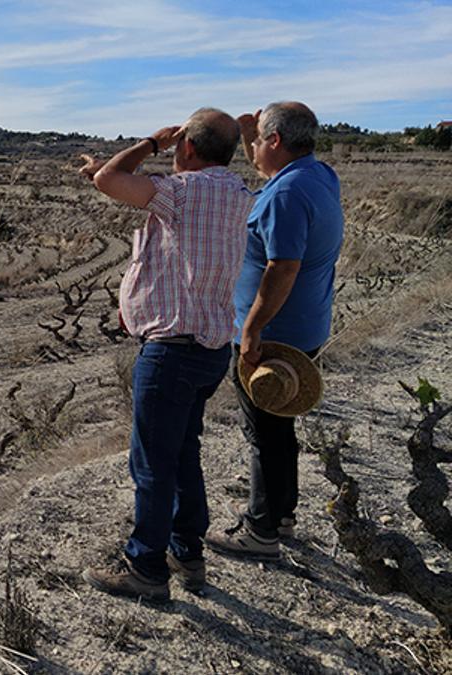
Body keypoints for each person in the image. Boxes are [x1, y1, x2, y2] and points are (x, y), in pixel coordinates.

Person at [77, 109, 253, 601]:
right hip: (211, 349)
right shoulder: (238, 195)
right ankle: (187, 553)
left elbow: (112, 181)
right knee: (182, 454)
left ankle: (146, 569)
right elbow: (114, 180)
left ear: (188, 148)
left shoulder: (182, 192)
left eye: (179, 144)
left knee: (152, 462)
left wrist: (151, 142)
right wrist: (106, 169)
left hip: (171, 350)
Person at [205, 101, 344, 561]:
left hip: (274, 333)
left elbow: (282, 267)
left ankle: (260, 531)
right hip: (305, 327)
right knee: (280, 421)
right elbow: (269, 168)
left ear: (277, 140)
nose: (253, 150)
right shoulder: (318, 176)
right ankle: (282, 512)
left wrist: (251, 330)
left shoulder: (284, 195)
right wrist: (250, 132)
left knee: (263, 430)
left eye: (260, 139)